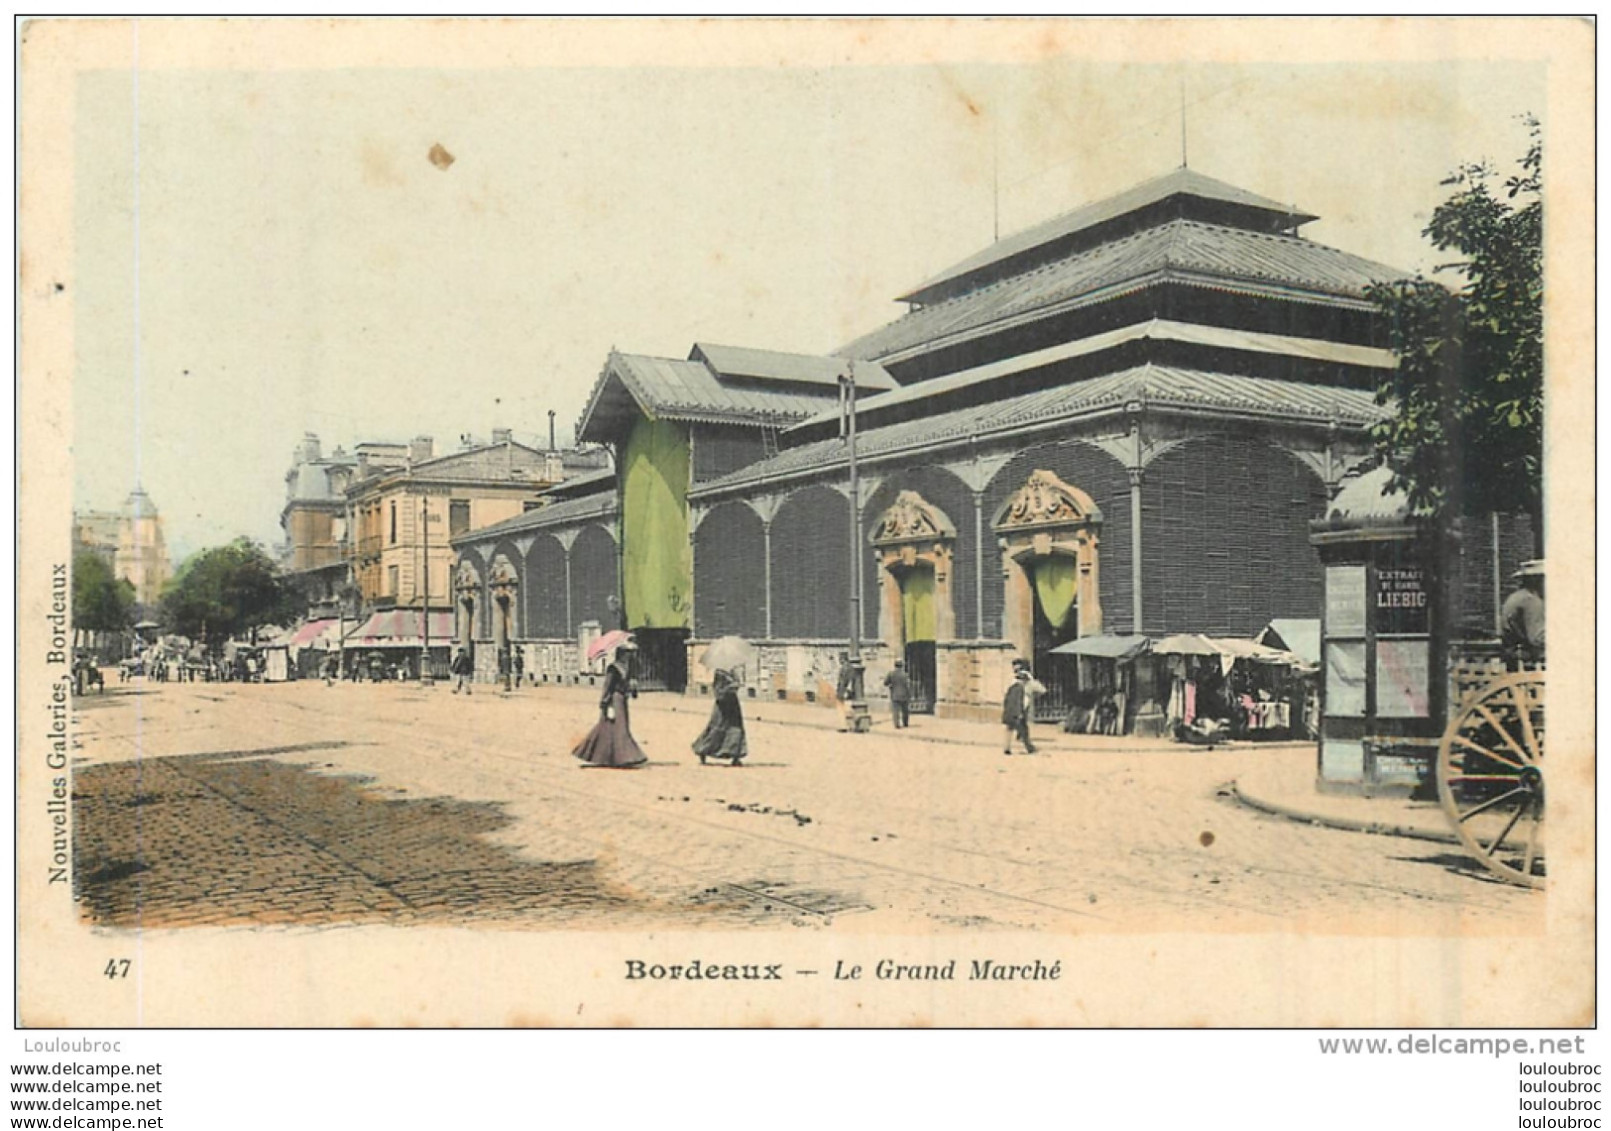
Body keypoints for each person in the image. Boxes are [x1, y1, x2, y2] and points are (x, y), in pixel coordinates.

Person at [573, 642, 647, 768]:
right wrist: (604, 701)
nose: (629, 656)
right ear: (621, 654)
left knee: (610, 729)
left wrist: (633, 688)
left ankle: (612, 757)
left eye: (630, 653)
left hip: (623, 699)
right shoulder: (614, 668)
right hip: (614, 699)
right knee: (619, 728)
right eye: (627, 653)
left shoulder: (628, 669)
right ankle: (626, 757)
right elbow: (608, 686)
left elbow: (630, 686)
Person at [693, 668, 747, 766]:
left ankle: (735, 756)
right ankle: (703, 750)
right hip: (722, 706)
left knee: (736, 729)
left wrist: (736, 684)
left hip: (733, 704)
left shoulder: (734, 671)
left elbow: (737, 684)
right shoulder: (719, 673)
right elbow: (717, 690)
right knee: (716, 729)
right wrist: (729, 687)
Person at [1501, 559, 1545, 665]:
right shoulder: (1531, 601)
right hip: (1528, 663)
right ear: (1536, 580)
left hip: (1514, 658)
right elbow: (1538, 638)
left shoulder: (1516, 597)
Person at [1001, 661, 1038, 756]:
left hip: (1009, 712)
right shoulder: (1019, 688)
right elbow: (1019, 702)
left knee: (1009, 730)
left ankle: (1006, 748)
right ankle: (1029, 748)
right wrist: (1020, 713)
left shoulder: (1012, 687)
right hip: (1017, 713)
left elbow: (1006, 700)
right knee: (1024, 731)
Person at [884, 660, 911, 729]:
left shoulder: (891, 674)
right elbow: (908, 685)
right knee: (905, 710)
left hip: (895, 694)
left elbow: (885, 683)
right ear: (902, 666)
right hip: (904, 694)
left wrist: (891, 685)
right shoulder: (905, 674)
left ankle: (897, 724)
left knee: (896, 710)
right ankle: (905, 723)